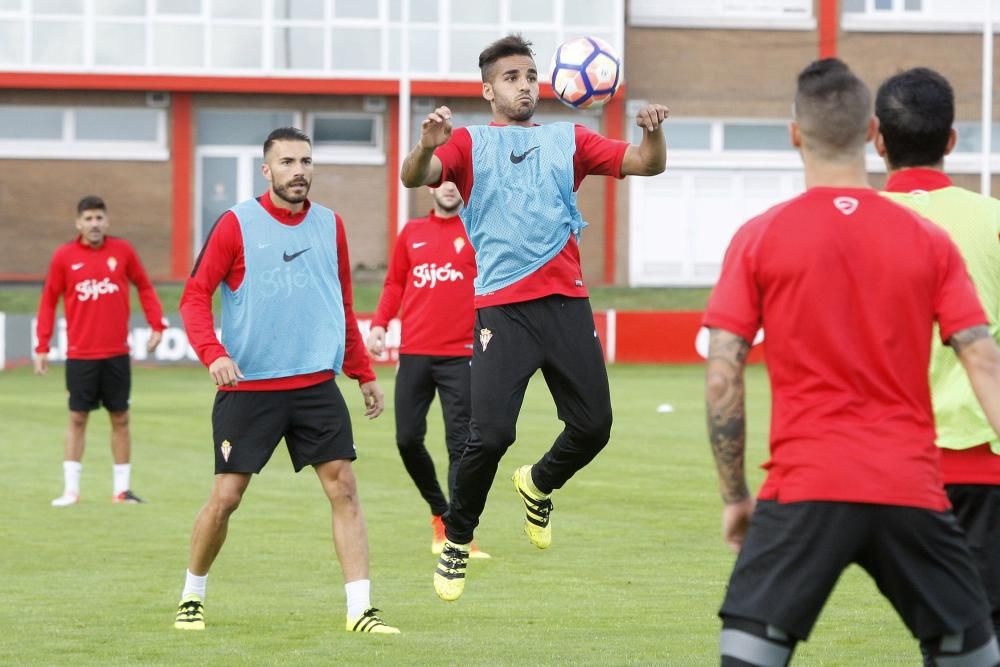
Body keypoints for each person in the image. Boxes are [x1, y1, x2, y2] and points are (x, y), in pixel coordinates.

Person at [703, 58, 1000, 666]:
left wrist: (735, 495)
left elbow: (723, 373)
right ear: (871, 131)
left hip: (805, 488)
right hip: (912, 491)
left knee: (746, 655)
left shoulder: (760, 235)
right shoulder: (928, 240)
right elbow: (983, 361)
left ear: (795, 133)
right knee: (973, 657)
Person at [400, 33, 669, 601]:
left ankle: (539, 482)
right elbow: (412, 176)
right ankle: (456, 541)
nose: (524, 85)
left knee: (595, 426)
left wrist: (652, 132)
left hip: (567, 304)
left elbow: (646, 164)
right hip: (502, 308)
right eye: (510, 78)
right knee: (491, 434)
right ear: (488, 89)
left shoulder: (567, 139)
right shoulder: (468, 144)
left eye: (529, 75)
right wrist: (427, 146)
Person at [173, 127, 399, 634]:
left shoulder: (330, 226)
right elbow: (193, 297)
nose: (299, 170)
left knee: (344, 487)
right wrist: (213, 353)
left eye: (306, 161)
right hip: (249, 388)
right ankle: (192, 593)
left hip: (316, 385)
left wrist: (362, 372)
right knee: (226, 498)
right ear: (267, 170)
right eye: (288, 162)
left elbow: (341, 303)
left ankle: (360, 609)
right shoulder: (235, 224)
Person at [875, 67, 1000, 652]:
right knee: (978, 639)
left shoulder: (854, 225)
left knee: (942, 635)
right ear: (952, 140)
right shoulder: (993, 221)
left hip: (890, 471)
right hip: (983, 461)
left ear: (877, 137)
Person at [366, 181, 490, 559]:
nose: (450, 188)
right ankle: (440, 511)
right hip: (415, 352)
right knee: (406, 439)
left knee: (460, 446)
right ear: (431, 187)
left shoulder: (476, 230)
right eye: (443, 181)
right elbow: (394, 284)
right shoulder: (412, 233)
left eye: (456, 181)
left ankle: (458, 536)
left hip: (462, 354)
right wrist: (379, 324)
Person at [34, 195, 166, 507]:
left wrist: (156, 324)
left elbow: (144, 286)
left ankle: (122, 491)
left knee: (120, 417)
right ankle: (71, 490)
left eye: (99, 218)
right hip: (80, 354)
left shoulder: (123, 251)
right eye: (88, 219)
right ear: (78, 223)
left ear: (107, 221)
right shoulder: (64, 257)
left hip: (116, 353)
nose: (94, 224)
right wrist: (42, 344)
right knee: (77, 417)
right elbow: (48, 301)